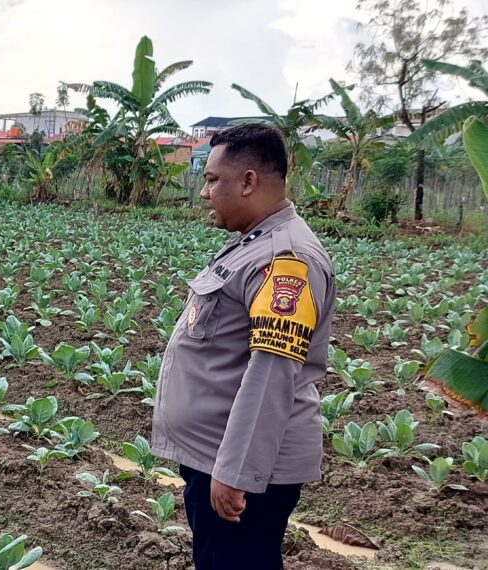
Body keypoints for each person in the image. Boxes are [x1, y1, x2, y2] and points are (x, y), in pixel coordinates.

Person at [150, 123, 335, 570]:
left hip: (239, 470)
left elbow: (271, 374)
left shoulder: (285, 259)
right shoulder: (253, 243)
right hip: (216, 458)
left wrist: (236, 472)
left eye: (213, 180)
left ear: (248, 181)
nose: (204, 193)